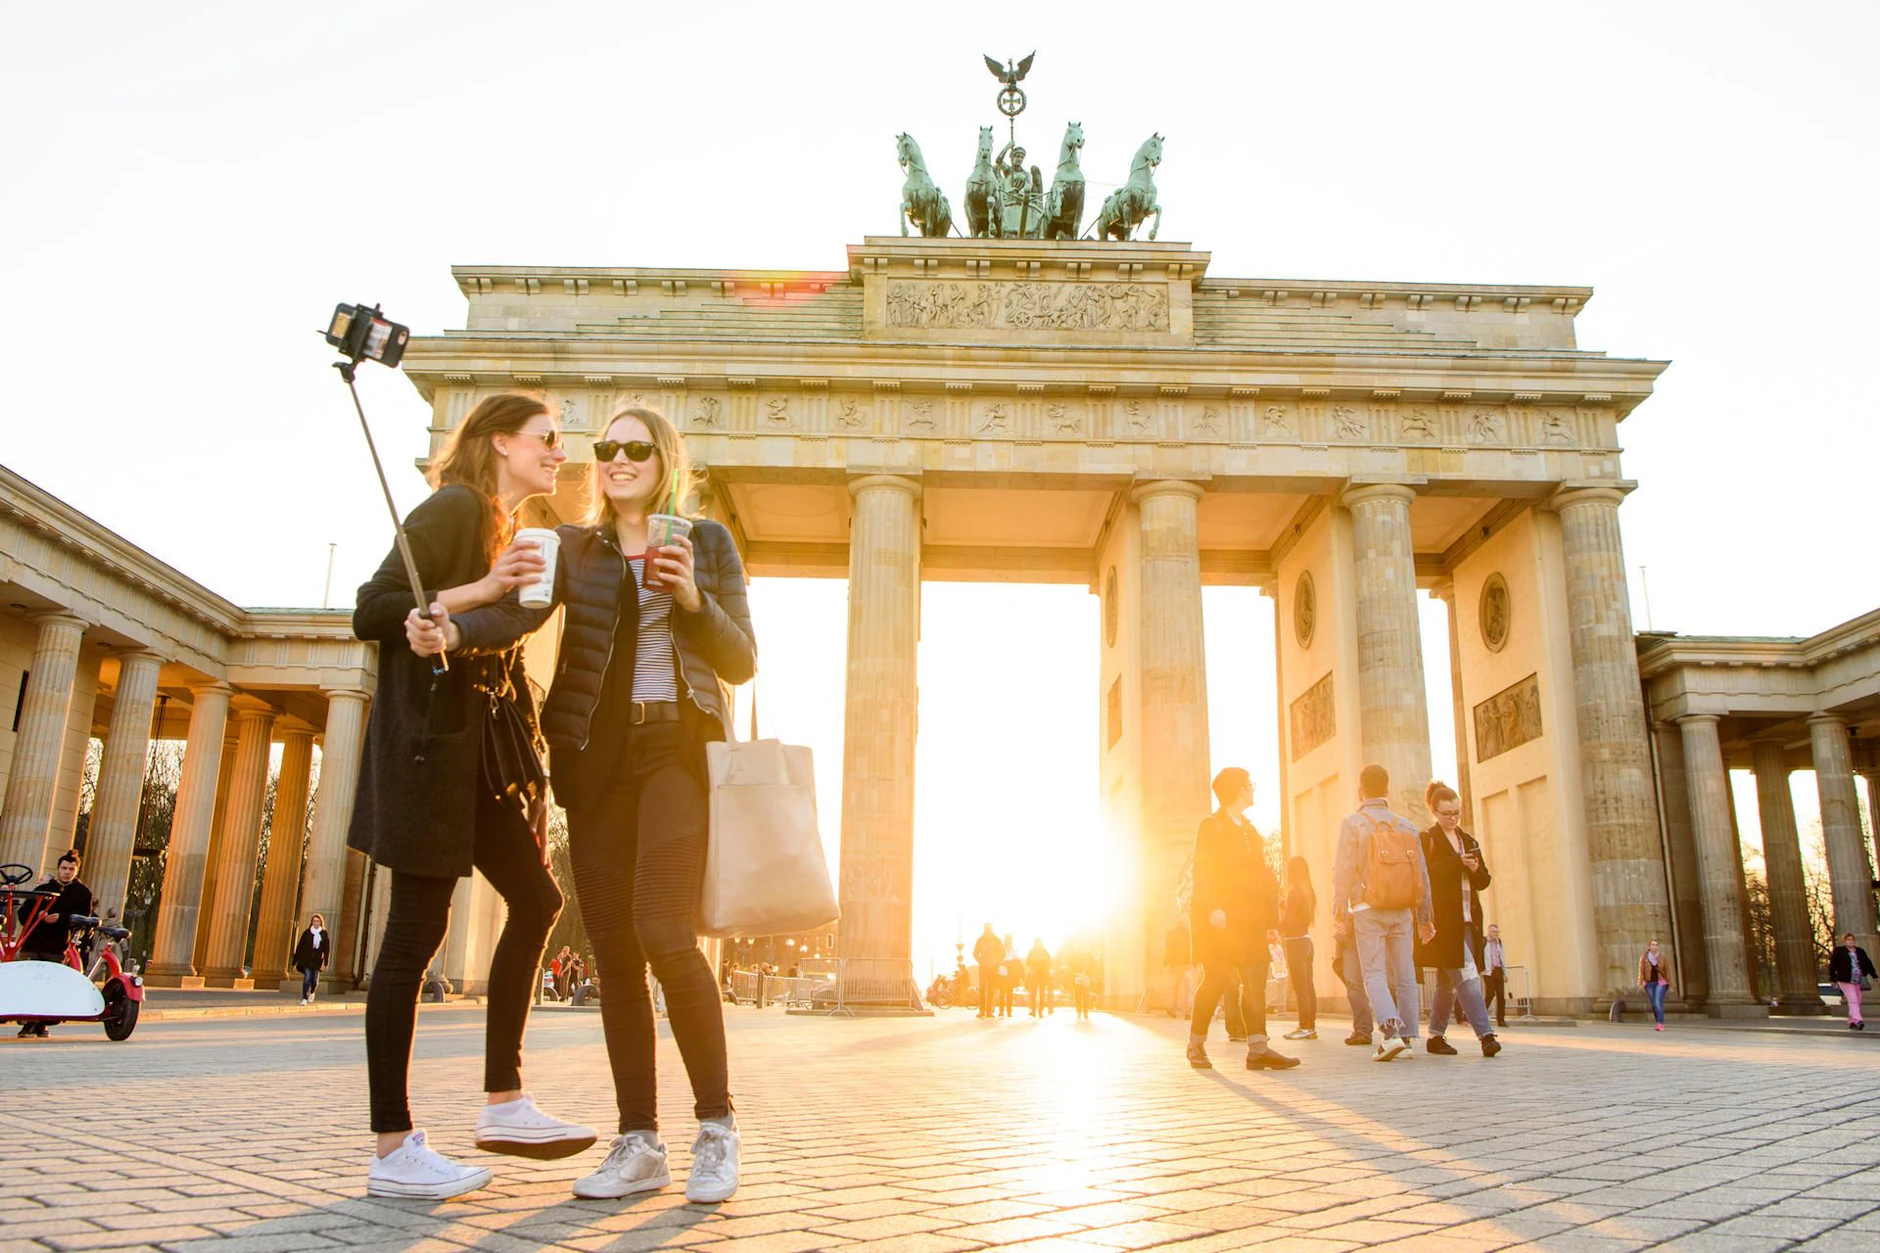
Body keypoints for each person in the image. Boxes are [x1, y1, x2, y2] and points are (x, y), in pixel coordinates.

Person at [414, 403, 756, 1204]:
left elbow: (742, 660)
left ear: (665, 458)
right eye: (606, 448)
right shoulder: (575, 545)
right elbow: (515, 613)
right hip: (598, 761)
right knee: (613, 949)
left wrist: (695, 603)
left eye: (635, 447)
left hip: (676, 749)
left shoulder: (706, 542)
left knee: (666, 929)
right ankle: (639, 1140)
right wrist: (454, 628)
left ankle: (718, 1126)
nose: (617, 458)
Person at [351, 392, 592, 1199]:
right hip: (426, 752)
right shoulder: (456, 506)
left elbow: (502, 622)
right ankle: (393, 1145)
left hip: (476, 758)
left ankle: (504, 1099)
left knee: (535, 897)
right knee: (413, 935)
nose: (559, 453)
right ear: (499, 442)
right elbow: (373, 607)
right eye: (545, 439)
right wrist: (465, 596)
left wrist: (477, 605)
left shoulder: (507, 525)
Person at [1186, 767, 1300, 1072]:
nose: (1253, 790)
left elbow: (1263, 879)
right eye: (1249, 785)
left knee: (1254, 982)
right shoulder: (1212, 826)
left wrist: (1270, 922)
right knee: (1217, 980)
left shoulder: (1250, 831)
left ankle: (1258, 1049)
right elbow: (1203, 870)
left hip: (1249, 921)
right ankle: (1196, 1044)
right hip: (1220, 921)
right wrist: (1213, 907)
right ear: (1237, 790)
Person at [1332, 764, 1433, 1062]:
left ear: (1359, 791)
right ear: (1388, 791)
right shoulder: (1407, 826)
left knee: (1373, 973)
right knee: (1404, 975)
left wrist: (1338, 911)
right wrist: (1425, 918)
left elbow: (1343, 871)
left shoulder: (1353, 824)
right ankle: (1409, 1038)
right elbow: (1422, 876)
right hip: (1402, 909)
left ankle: (1390, 1035)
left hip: (1367, 908)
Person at [1416, 783, 1502, 1058]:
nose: (1453, 818)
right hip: (1443, 924)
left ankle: (1435, 1036)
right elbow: (1425, 876)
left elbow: (1484, 881)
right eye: (1447, 813)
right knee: (1467, 977)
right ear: (1434, 812)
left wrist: (1475, 870)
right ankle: (1486, 1036)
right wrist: (1457, 864)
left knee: (1446, 982)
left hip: (1469, 922)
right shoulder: (1427, 839)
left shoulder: (1469, 840)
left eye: (1457, 812)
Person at [15, 850, 93, 1038]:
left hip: (58, 946)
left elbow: (85, 919)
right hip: (33, 944)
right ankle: (29, 1023)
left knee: (49, 987)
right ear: (58, 869)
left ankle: (40, 1023)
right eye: (64, 868)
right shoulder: (43, 889)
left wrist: (61, 919)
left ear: (76, 871)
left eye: (71, 869)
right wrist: (38, 916)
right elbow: (23, 915)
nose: (67, 872)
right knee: (31, 985)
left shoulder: (83, 893)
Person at [1279, 857, 1317, 1041]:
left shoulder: (1293, 892)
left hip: (1295, 942)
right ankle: (1311, 1027)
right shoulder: (1308, 891)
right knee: (1308, 987)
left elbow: (1289, 921)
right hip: (1307, 941)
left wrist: (1273, 928)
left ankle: (1304, 1027)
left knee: (1301, 988)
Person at [1332, 925, 1374, 1047]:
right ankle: (1362, 1029)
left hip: (1354, 933)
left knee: (1354, 984)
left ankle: (1363, 1031)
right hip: (1345, 936)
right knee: (1353, 983)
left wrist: (1348, 922)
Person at [1829, 933, 1875, 1032]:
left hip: (1857, 979)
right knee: (1853, 999)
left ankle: (1852, 1021)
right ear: (1844, 941)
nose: (1851, 941)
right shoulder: (1839, 951)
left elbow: (1868, 963)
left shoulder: (1860, 951)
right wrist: (1832, 979)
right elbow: (1833, 965)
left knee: (1857, 1000)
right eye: (1848, 939)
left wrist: (1875, 976)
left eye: (1852, 939)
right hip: (1844, 979)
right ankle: (1858, 1020)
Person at [293, 913, 331, 1006]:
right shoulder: (307, 933)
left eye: (318, 921)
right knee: (307, 979)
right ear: (311, 922)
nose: (316, 923)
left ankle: (312, 992)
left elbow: (326, 949)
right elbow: (300, 946)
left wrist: (326, 961)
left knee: (314, 980)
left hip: (317, 961)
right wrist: (294, 961)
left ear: (321, 923)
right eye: (314, 921)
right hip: (306, 960)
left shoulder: (324, 934)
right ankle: (304, 998)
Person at [1638, 938, 1673, 1030]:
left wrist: (1670, 984)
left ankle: (1660, 1023)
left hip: (1661, 982)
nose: (1655, 946)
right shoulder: (1644, 958)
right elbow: (1641, 971)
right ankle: (1658, 1021)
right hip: (1649, 983)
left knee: (1658, 1002)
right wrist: (1641, 982)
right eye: (1653, 945)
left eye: (1656, 945)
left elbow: (1667, 971)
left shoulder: (1663, 957)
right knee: (1653, 1004)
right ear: (1649, 947)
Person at [973, 923, 1002, 1019]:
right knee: (982, 989)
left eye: (989, 928)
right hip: (983, 968)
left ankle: (989, 1011)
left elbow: (1003, 953)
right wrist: (980, 960)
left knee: (991, 990)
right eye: (987, 928)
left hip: (993, 968)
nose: (988, 930)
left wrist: (997, 962)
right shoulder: (980, 940)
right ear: (984, 929)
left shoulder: (997, 940)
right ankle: (982, 1011)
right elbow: (975, 953)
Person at [1483, 923, 1508, 1027]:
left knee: (1501, 996)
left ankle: (1501, 1020)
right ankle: (1481, 1016)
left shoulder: (1499, 942)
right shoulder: (1484, 941)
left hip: (1498, 970)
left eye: (1497, 932)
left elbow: (1502, 957)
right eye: (1494, 932)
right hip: (1489, 971)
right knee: (1490, 994)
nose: (1496, 934)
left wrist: (1505, 973)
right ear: (1489, 932)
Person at [998, 934, 1020, 1017]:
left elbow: (1017, 962)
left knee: (1009, 993)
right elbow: (997, 960)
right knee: (1002, 992)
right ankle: (1001, 1011)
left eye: (1010, 940)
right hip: (1002, 973)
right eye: (1007, 939)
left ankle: (1009, 1011)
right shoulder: (1000, 950)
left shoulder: (1014, 951)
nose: (1009, 941)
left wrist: (1008, 963)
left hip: (1011, 974)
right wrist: (1003, 963)